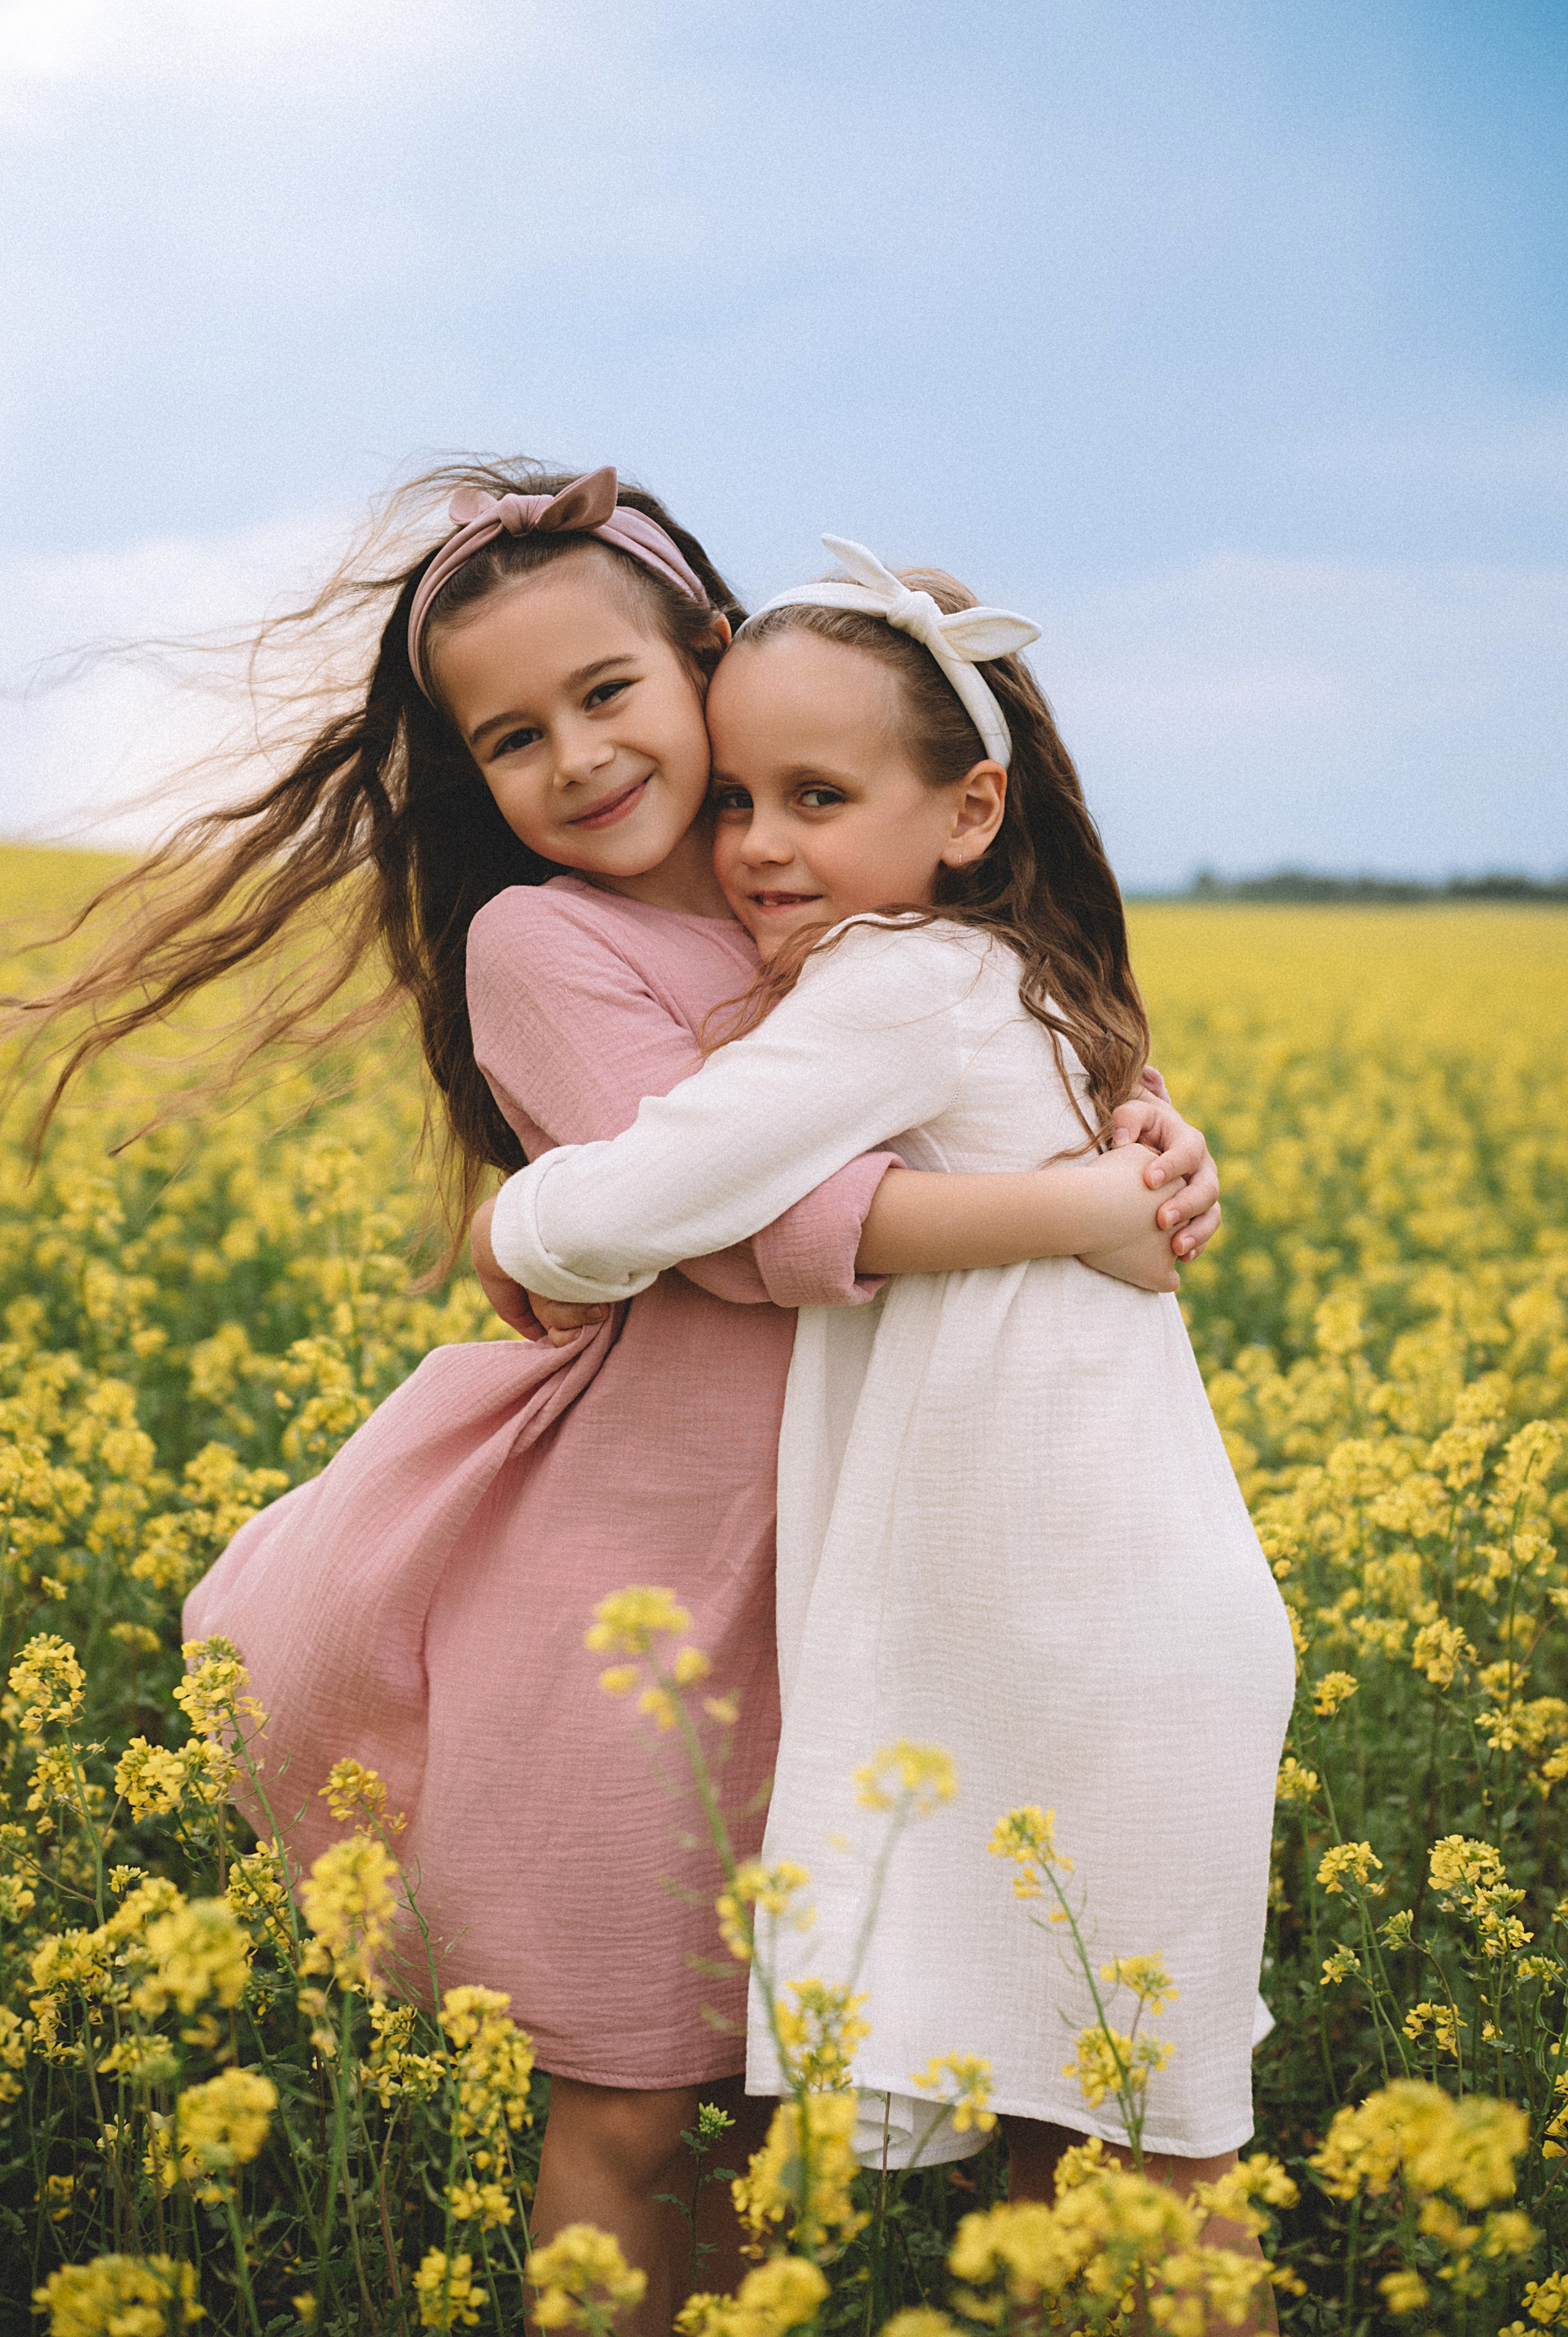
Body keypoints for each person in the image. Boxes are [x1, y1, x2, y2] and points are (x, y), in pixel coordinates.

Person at [23, 468, 1220, 2331]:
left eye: (608, 694)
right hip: (632, 1588)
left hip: (846, 1588)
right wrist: (1082, 1210)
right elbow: (763, 1227)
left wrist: (1151, 1141)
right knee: (626, 2083)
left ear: (710, 662)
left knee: (759, 2096)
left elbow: (1000, 1056)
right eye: (513, 737)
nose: (577, 758)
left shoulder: (832, 906)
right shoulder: (546, 943)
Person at [482, 536, 1296, 2300]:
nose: (762, 843)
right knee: (1122, 2124)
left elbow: (663, 1194)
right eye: (747, 798)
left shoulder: (892, 983)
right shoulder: (1029, 980)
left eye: (819, 796)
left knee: (1140, 2139)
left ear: (968, 808)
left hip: (1066, 1635)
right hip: (1116, 1620)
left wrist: (511, 1226)